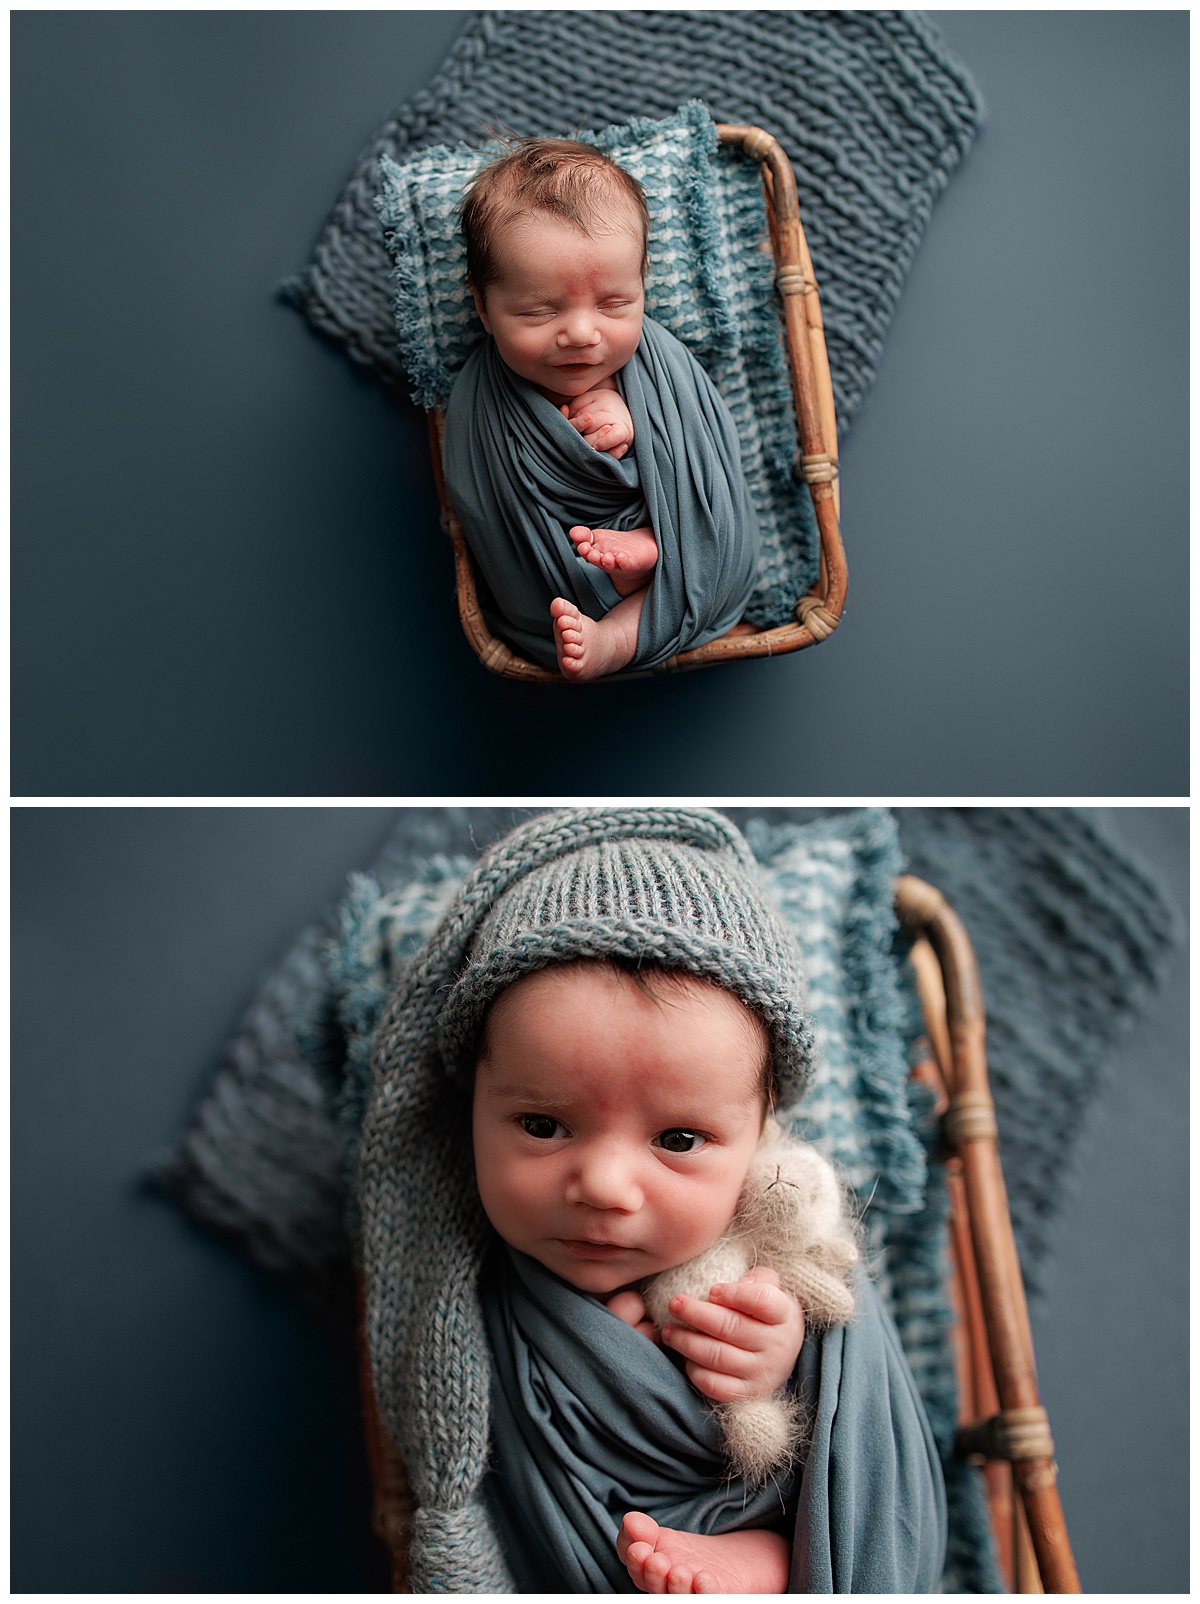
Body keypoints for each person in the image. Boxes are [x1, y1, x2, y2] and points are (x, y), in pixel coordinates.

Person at [358, 808, 948, 1593]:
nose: (603, 1186)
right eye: (542, 1125)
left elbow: (848, 1419)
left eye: (677, 1140)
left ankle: (768, 1561)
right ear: (468, 1108)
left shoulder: (766, 1258)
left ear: (761, 1132)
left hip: (755, 1512)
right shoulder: (457, 1286)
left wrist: (775, 1356)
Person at [442, 140, 761, 680]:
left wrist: (638, 436)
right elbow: (490, 504)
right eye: (538, 311)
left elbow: (703, 454)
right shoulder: (480, 400)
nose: (582, 334)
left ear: (643, 282)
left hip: (677, 525)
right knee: (560, 591)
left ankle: (649, 565)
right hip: (564, 566)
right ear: (482, 305)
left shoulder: (661, 363)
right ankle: (615, 619)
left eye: (614, 304)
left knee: (706, 533)